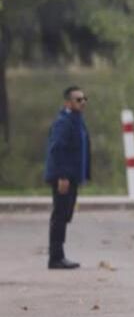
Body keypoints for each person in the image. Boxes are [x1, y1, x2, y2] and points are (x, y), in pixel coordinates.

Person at [44, 86, 90, 269]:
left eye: (84, 98)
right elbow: (57, 149)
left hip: (72, 176)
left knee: (66, 214)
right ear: (68, 103)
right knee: (60, 215)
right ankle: (55, 257)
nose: (83, 102)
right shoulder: (64, 122)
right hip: (64, 177)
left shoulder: (77, 120)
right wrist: (62, 176)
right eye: (78, 99)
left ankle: (59, 255)